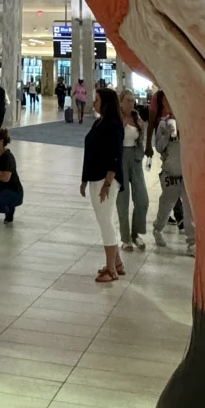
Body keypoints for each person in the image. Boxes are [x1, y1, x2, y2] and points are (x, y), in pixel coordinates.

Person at [82, 87, 124, 281]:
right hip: (94, 176)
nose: (94, 103)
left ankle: (111, 269)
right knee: (104, 219)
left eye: (98, 99)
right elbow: (90, 151)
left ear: (106, 103)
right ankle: (117, 262)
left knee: (106, 220)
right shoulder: (99, 123)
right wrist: (84, 179)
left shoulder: (114, 125)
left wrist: (107, 183)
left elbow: (115, 155)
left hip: (106, 179)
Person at [150, 99, 194, 254]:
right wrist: (166, 136)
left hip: (187, 173)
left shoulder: (190, 123)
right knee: (166, 205)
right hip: (170, 174)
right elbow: (159, 148)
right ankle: (157, 229)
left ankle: (192, 242)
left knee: (189, 209)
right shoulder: (163, 124)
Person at [116, 89, 148, 250]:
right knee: (123, 201)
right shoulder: (116, 118)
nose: (131, 103)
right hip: (120, 159)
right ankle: (126, 238)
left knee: (142, 200)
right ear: (121, 102)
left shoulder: (137, 117)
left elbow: (141, 139)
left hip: (135, 159)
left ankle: (136, 233)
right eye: (128, 100)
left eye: (132, 100)